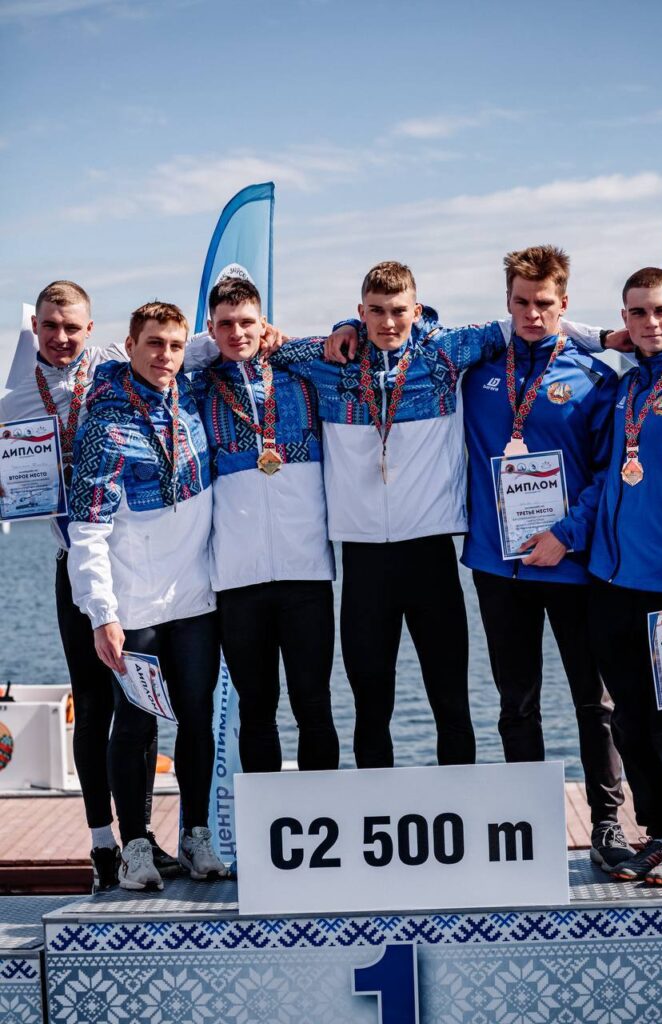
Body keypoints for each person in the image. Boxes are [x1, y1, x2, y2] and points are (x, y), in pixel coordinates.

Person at [269, 261, 521, 769]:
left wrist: (607, 337)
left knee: (451, 705)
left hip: (431, 554)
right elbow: (259, 344)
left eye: (399, 311)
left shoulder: (444, 354)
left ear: (417, 309)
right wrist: (341, 328)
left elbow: (527, 322)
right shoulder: (328, 360)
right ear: (361, 311)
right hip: (364, 562)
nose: (388, 322)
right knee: (371, 710)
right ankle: (373, 814)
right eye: (376, 311)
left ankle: (459, 806)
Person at [0, 281, 175, 891]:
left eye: (72, 326)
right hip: (72, 566)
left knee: (142, 703)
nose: (61, 337)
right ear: (35, 327)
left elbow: (192, 349)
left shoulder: (112, 363)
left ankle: (141, 838)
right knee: (94, 706)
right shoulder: (14, 398)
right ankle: (103, 842)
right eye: (50, 326)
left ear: (91, 328)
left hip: (131, 566)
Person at [458, 245, 628, 870]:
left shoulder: (595, 379)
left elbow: (610, 472)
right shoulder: (474, 374)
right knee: (516, 702)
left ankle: (607, 824)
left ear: (565, 304)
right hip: (498, 566)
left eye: (545, 303)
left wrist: (566, 534)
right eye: (522, 302)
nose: (532, 313)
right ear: (507, 303)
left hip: (573, 564)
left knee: (594, 701)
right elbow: (407, 329)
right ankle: (527, 824)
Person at [67, 301, 225, 890]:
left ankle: (195, 836)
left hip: (196, 601)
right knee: (133, 723)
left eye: (175, 346)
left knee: (198, 719)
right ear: (129, 345)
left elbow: (219, 342)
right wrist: (102, 614)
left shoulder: (192, 393)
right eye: (154, 343)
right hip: (134, 607)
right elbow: (87, 530)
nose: (166, 355)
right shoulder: (104, 421)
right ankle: (134, 844)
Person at [193, 277, 339, 774]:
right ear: (211, 328)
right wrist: (203, 346)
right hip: (239, 582)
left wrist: (288, 341)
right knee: (256, 713)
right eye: (225, 325)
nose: (237, 333)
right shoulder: (198, 387)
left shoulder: (301, 377)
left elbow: (346, 345)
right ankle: (264, 824)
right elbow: (141, 364)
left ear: (264, 323)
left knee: (314, 707)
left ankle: (323, 814)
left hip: (306, 575)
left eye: (247, 322)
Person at [589, 267, 662, 885]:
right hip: (612, 580)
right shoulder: (627, 385)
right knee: (629, 715)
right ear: (624, 319)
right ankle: (658, 834)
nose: (651, 323)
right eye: (639, 313)